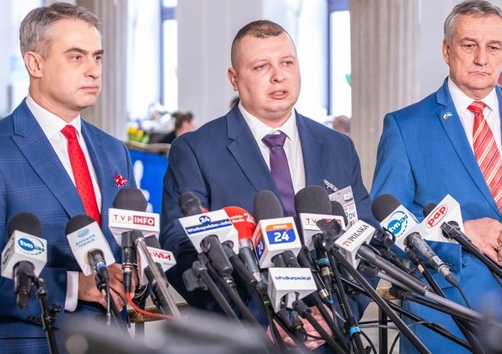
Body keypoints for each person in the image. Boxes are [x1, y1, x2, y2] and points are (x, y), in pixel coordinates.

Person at [371, 0, 502, 352]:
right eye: (469, 45)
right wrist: (460, 232)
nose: (482, 58)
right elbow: (388, 226)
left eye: (493, 47)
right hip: (444, 319)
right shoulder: (405, 126)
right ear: (447, 50)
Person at [160, 19, 374, 349]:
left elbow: (366, 238)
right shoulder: (195, 150)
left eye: (287, 62)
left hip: (332, 337)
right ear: (234, 79)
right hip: (244, 339)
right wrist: (256, 325)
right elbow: (182, 248)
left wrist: (337, 315)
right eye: (261, 66)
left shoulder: (337, 146)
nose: (278, 76)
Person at [0, 2, 136, 354]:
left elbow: (127, 241)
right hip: (37, 344)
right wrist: (73, 287)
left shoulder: (114, 150)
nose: (93, 70)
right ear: (35, 64)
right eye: (76, 57)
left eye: (97, 57)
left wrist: (133, 273)